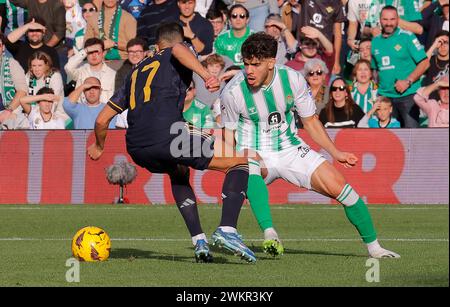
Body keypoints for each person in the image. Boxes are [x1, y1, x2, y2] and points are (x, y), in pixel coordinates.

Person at [87, 22, 257, 263]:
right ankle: (227, 229)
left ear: (154, 46)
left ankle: (199, 241)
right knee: (239, 162)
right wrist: (207, 75)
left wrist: (99, 146)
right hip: (168, 135)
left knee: (178, 172)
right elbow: (177, 49)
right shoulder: (173, 52)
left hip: (136, 146)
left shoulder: (134, 72)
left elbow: (102, 119)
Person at [220, 32, 400, 259]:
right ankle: (269, 232)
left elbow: (311, 122)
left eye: (255, 65)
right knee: (248, 160)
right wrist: (232, 166)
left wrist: (336, 153)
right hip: (255, 152)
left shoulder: (293, 79)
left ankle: (375, 248)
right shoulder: (233, 91)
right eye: (246, 64)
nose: (249, 71)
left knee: (343, 189)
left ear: (271, 62)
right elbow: (228, 136)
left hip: (290, 149)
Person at [371, 5, 430, 128]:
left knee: (411, 139)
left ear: (398, 19)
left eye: (392, 19)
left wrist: (408, 81)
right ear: (380, 20)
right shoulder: (375, 41)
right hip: (385, 98)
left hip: (408, 96)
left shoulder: (407, 36)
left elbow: (425, 63)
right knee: (387, 140)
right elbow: (375, 69)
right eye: (385, 20)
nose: (388, 23)